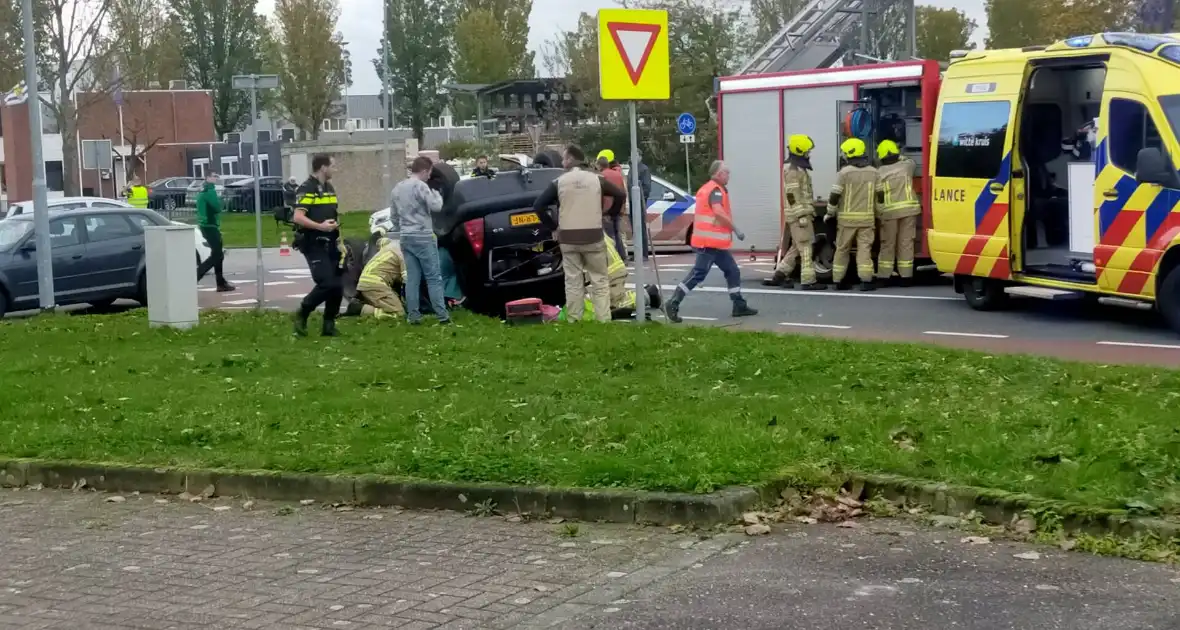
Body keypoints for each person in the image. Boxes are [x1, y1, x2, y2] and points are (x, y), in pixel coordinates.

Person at [532, 144, 626, 323]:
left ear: (571, 160)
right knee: (599, 280)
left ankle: (574, 320)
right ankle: (603, 321)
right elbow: (620, 195)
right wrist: (610, 214)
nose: (562, 161)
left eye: (564, 158)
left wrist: (553, 227)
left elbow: (538, 205)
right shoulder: (597, 179)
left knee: (573, 281)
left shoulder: (559, 181)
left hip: (568, 237)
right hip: (593, 236)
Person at [663, 161, 758, 323]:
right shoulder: (716, 191)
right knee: (698, 274)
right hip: (708, 243)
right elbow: (718, 212)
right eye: (726, 172)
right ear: (719, 174)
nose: (728, 175)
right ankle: (673, 302)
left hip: (714, 243)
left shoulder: (708, 188)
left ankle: (738, 304)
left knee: (732, 270)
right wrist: (735, 229)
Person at [390, 156, 450, 325]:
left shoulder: (397, 188)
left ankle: (413, 316)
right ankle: (442, 316)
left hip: (406, 237)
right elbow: (436, 206)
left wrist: (402, 228)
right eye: (429, 173)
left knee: (412, 278)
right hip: (423, 236)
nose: (429, 177)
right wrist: (437, 194)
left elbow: (393, 216)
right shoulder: (421, 186)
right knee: (433, 277)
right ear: (424, 171)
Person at [292, 154, 345, 337]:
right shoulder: (307, 188)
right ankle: (303, 312)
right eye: (333, 166)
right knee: (326, 282)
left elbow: (332, 214)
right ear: (323, 167)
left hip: (331, 242)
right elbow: (298, 217)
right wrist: (320, 226)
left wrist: (338, 236)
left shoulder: (329, 188)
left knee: (338, 284)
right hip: (313, 242)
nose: (334, 169)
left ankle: (328, 325)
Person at [764, 134, 825, 290]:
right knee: (806, 248)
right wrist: (801, 215)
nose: (808, 154)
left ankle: (780, 275)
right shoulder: (793, 170)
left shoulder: (797, 168)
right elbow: (792, 196)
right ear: (799, 151)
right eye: (807, 151)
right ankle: (808, 281)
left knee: (796, 247)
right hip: (800, 215)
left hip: (801, 214)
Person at [825, 138, 878, 291]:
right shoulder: (874, 172)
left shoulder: (844, 173)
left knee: (842, 249)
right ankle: (866, 281)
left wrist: (830, 213)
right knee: (864, 250)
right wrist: (879, 213)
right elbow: (880, 196)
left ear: (849, 154)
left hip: (846, 220)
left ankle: (838, 281)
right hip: (867, 220)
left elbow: (834, 195)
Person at [874, 140, 920, 287]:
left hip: (889, 213)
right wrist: (900, 155)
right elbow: (910, 160)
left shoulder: (879, 173)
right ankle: (906, 277)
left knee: (888, 244)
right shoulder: (906, 167)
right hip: (909, 210)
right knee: (906, 243)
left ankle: (884, 276)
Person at [194, 172, 234, 292]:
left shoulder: (204, 190)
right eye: (213, 176)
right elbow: (216, 207)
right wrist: (220, 202)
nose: (215, 178)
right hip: (209, 225)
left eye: (216, 176)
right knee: (217, 255)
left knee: (218, 254)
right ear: (207, 178)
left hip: (206, 225)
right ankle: (196, 275)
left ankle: (220, 282)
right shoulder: (209, 191)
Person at [356, 230, 405, 319]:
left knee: (394, 303)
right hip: (375, 284)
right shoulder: (403, 254)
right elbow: (407, 280)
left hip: (368, 281)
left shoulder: (392, 246)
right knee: (399, 313)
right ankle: (360, 309)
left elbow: (380, 242)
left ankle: (368, 303)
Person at [596, 149, 628, 259]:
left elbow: (600, 194)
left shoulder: (601, 176)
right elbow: (623, 191)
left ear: (600, 165)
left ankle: (613, 259)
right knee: (617, 234)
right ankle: (622, 257)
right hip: (618, 209)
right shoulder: (618, 174)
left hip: (606, 210)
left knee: (609, 236)